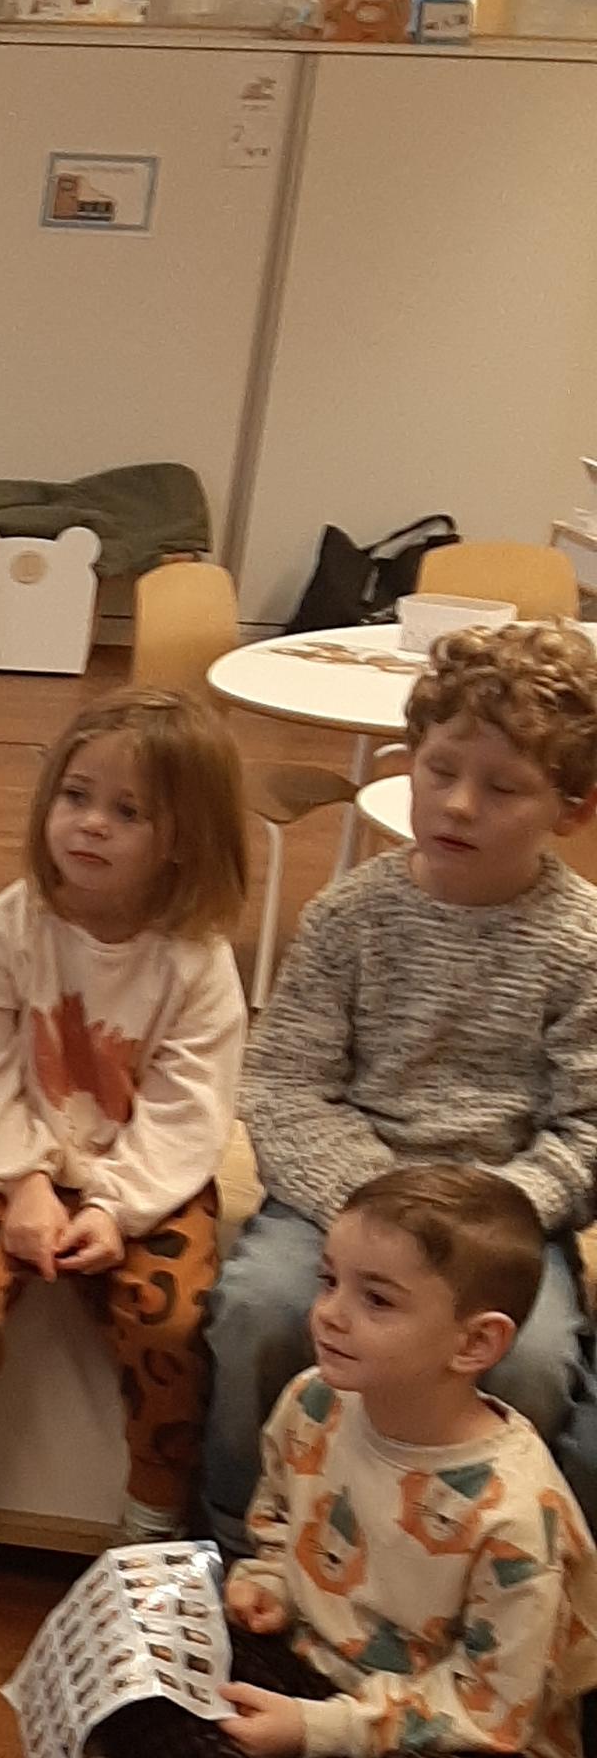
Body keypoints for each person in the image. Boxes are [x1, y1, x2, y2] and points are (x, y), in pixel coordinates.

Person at [83, 1165, 597, 1758]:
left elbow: (493, 1712)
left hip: (438, 1741)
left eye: (376, 1300)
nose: (329, 1312)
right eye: (329, 1281)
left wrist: (313, 1732)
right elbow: (279, 1518)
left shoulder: (517, 1513)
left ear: (475, 1345)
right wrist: (268, 1583)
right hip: (306, 1669)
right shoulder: (313, 1402)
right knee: (141, 1621)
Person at [205, 621, 597, 1550]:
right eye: (438, 770)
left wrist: (484, 1221)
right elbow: (286, 1084)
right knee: (261, 1309)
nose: (458, 804)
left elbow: (588, 1130)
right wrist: (383, 1218)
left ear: (571, 809)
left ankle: (472, 1560)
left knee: (533, 1361)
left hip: (502, 1223)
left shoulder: (582, 944)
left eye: (503, 787)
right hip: (344, 1204)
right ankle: (239, 1538)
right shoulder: (351, 914)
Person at [0, 687, 249, 1617]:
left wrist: (115, 1207)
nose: (90, 825)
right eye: (75, 796)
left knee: (172, 1321)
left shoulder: (198, 960)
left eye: (128, 812)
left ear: (182, 837)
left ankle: (149, 1530)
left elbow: (189, 1112)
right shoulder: (9, 927)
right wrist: (27, 1183)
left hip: (147, 1182)